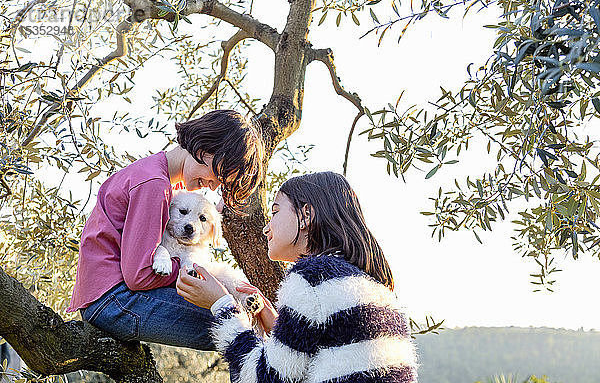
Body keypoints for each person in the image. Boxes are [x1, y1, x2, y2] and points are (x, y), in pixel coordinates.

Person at [176, 171, 418, 382]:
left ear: (306, 215)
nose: (266, 227)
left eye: (275, 211)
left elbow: (263, 378)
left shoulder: (312, 277)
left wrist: (221, 304)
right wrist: (279, 327)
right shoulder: (372, 283)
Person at [67, 109, 264, 351]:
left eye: (221, 183)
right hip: (113, 301)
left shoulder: (161, 179)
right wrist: (190, 273)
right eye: (218, 174)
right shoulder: (154, 185)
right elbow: (139, 274)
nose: (213, 186)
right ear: (204, 147)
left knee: (237, 318)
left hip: (108, 297)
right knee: (240, 325)